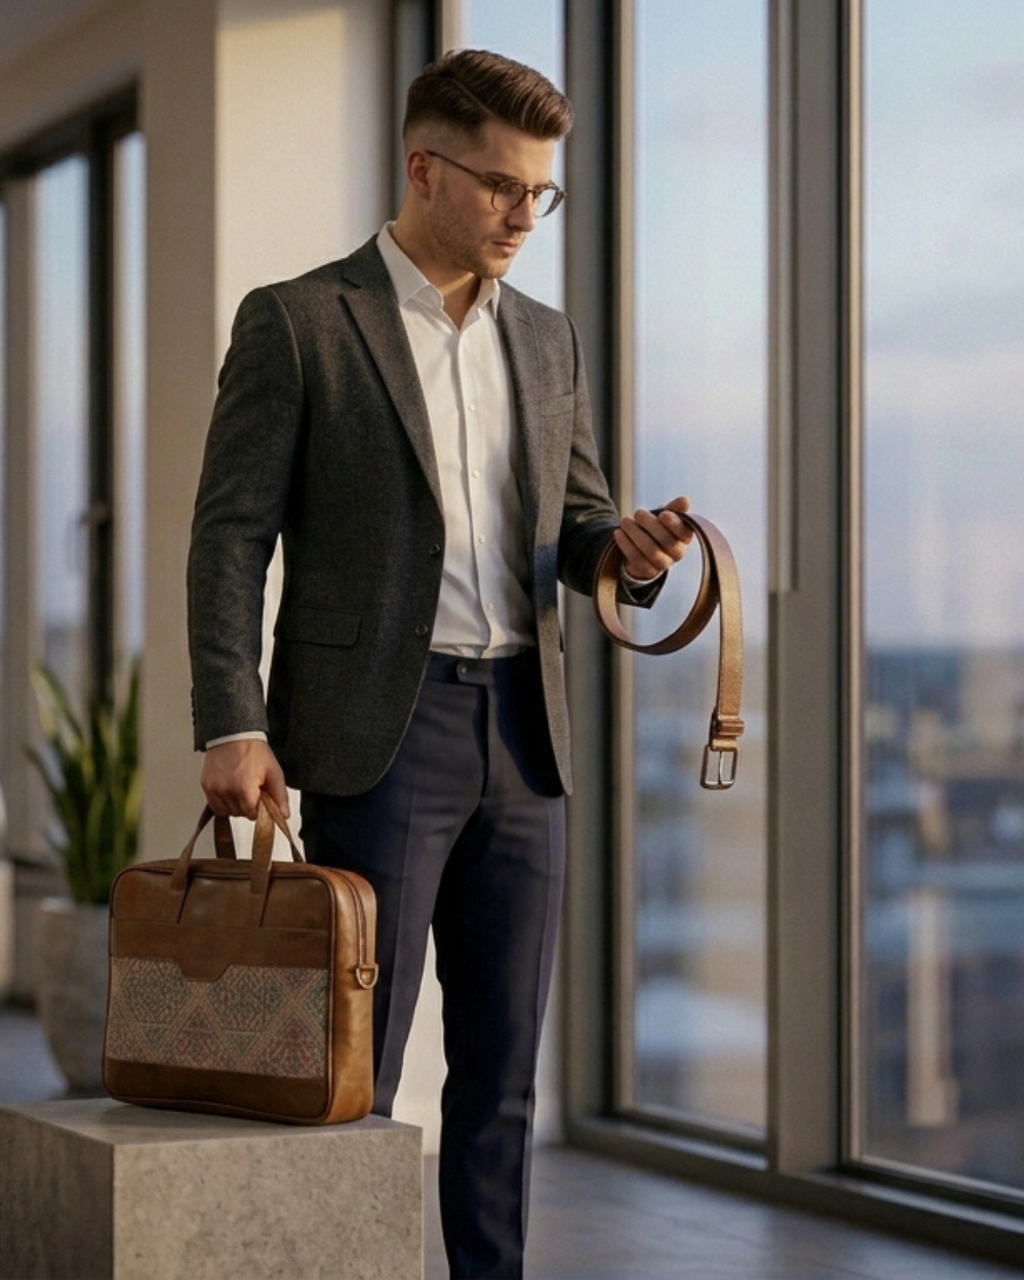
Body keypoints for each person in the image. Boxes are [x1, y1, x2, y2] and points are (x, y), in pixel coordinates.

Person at [188, 48, 691, 1280]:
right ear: (422, 168)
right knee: (354, 1059)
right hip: (378, 735)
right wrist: (230, 721)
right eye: (501, 186)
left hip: (526, 732)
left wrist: (622, 553)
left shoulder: (547, 339)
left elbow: (573, 524)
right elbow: (230, 535)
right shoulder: (302, 320)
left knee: (505, 1071)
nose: (525, 215)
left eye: (542, 195)